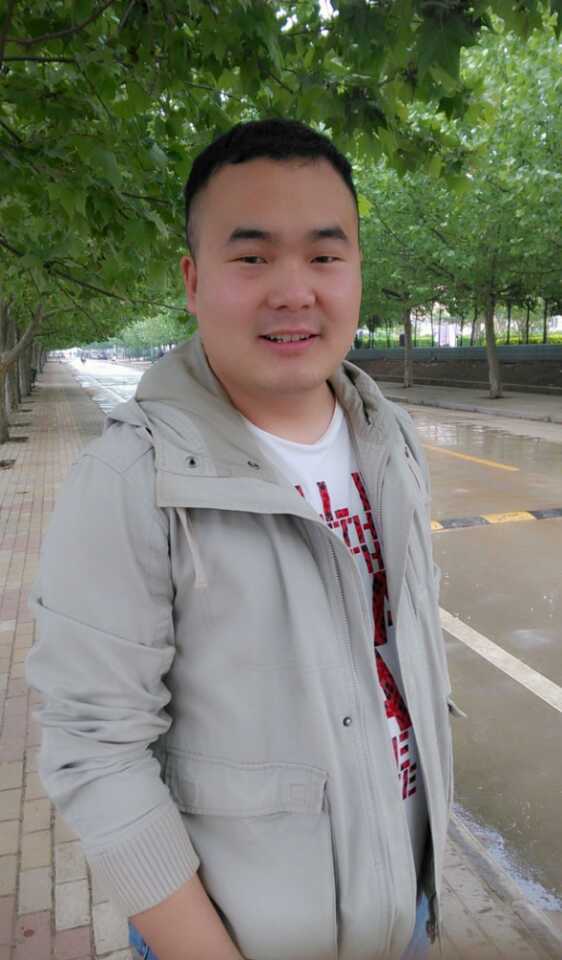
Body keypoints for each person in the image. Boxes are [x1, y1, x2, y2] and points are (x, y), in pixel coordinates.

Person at [26, 119, 457, 960]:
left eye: (324, 255)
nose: (294, 291)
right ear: (193, 280)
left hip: (404, 910)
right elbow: (95, 753)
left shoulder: (390, 436)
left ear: (357, 271)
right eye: (253, 257)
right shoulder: (131, 481)